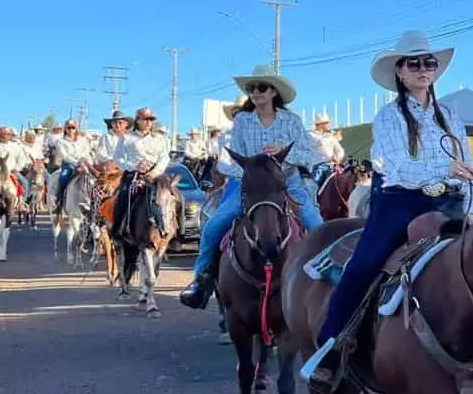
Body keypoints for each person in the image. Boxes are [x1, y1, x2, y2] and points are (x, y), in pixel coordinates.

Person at [302, 30, 473, 391]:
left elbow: (468, 164)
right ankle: (331, 349)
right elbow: (393, 166)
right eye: (414, 63)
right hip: (400, 201)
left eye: (429, 62)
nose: (423, 69)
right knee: (365, 264)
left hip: (449, 201)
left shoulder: (452, 116)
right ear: (399, 71)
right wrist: (443, 170)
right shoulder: (388, 117)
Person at [178, 66, 324, 308]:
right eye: (251, 89)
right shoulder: (243, 121)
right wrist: (250, 171)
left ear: (273, 92)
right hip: (250, 183)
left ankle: (329, 278)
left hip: (285, 179)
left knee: (314, 220)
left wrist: (282, 150)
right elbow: (232, 159)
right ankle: (200, 280)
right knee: (215, 224)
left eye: (261, 88)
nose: (255, 92)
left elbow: (308, 156)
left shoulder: (291, 120)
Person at [110, 108, 172, 237]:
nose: (149, 122)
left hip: (155, 174)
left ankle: (176, 232)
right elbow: (117, 158)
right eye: (145, 119)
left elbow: (165, 157)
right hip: (133, 173)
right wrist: (134, 166)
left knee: (175, 196)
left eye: (151, 119)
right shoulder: (126, 137)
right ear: (137, 120)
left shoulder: (159, 138)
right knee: (123, 195)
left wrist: (155, 172)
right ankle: (118, 231)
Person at [52, 119, 94, 214]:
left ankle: (94, 202)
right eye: (68, 127)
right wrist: (77, 163)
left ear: (76, 128)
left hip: (85, 163)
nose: (71, 130)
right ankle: (59, 201)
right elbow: (65, 156)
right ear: (65, 129)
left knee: (95, 178)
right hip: (69, 164)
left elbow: (86, 152)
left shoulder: (83, 140)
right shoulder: (60, 141)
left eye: (73, 127)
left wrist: (88, 163)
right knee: (63, 177)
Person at [310, 112, 346, 186]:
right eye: (326, 123)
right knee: (313, 185)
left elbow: (340, 150)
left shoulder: (330, 136)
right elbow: (320, 142)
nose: (329, 125)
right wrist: (332, 137)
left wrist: (338, 158)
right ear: (320, 125)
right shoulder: (310, 135)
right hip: (318, 166)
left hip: (333, 165)